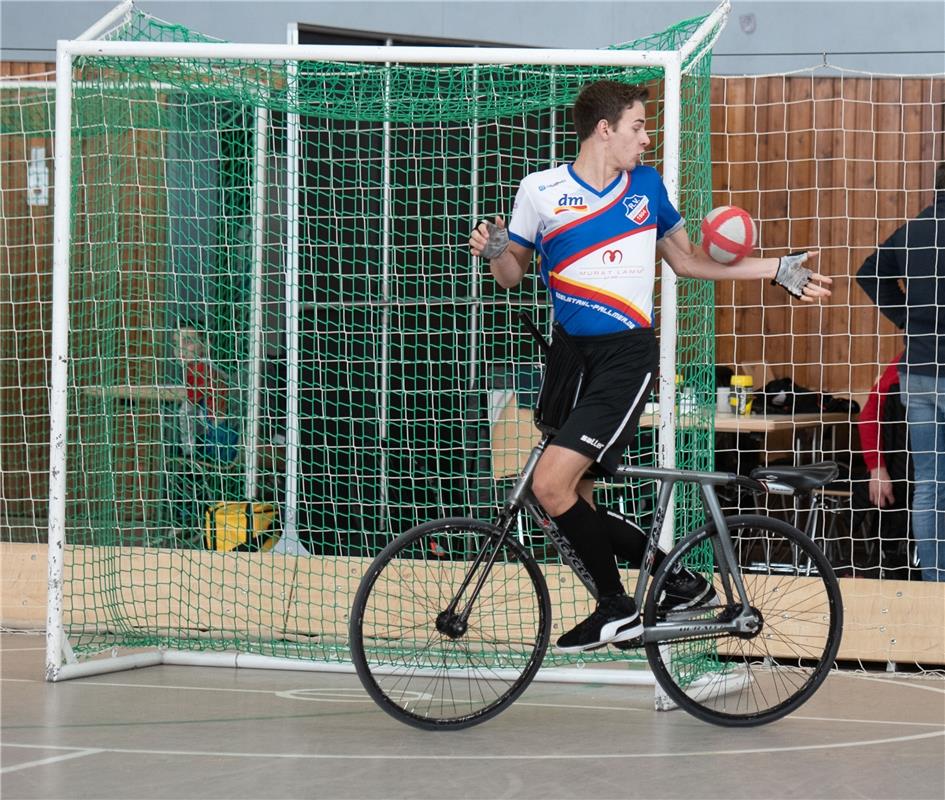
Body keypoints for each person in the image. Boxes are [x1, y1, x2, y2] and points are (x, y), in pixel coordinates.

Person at [468, 79, 832, 652]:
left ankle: (620, 605)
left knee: (548, 484)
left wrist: (772, 269)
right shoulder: (540, 190)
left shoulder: (647, 187)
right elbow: (512, 275)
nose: (646, 137)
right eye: (638, 126)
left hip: (625, 357)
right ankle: (669, 583)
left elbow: (687, 262)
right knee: (567, 498)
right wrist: (494, 253)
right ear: (605, 129)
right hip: (568, 358)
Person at [856, 163, 945, 582]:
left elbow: (868, 273)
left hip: (918, 374)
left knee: (929, 483)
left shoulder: (914, 231)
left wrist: (908, 318)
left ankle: (934, 583)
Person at [851, 352, 914, 579]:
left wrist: (878, 469)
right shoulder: (902, 364)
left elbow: (867, 416)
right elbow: (869, 416)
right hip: (903, 483)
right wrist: (877, 468)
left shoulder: (902, 363)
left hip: (902, 481)